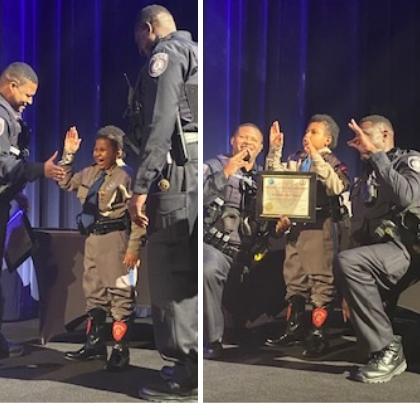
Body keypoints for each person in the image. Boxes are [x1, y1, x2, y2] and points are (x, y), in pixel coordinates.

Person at [125, 5, 198, 401]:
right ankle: (190, 365)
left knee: (172, 276)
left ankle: (188, 373)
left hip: (174, 176)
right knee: (186, 272)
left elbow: (160, 123)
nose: (139, 45)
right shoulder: (199, 50)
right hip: (194, 178)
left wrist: (141, 185)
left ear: (148, 29)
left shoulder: (165, 55)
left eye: (139, 37)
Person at [0, 62, 66, 368]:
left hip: (1, 203)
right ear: (12, 85)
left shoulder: (9, 114)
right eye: (28, 94)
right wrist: (38, 170)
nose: (30, 101)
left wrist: (17, 191)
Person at [335, 115, 420, 383]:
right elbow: (358, 234)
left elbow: (407, 196)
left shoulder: (407, 161)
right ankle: (383, 345)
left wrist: (379, 157)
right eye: (357, 140)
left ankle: (388, 349)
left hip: (406, 249)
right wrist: (348, 286)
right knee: (347, 262)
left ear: (384, 136)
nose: (360, 145)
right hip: (379, 255)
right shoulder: (364, 179)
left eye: (365, 137)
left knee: (350, 262)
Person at [56, 125, 146, 371]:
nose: (97, 154)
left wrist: (133, 248)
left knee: (120, 293)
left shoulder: (127, 176)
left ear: (117, 151)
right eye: (95, 149)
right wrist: (68, 154)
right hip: (93, 239)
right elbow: (64, 181)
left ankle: (120, 350)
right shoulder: (89, 173)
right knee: (93, 292)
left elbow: (139, 216)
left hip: (116, 238)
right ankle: (94, 344)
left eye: (103, 150)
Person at [264, 115, 349, 357]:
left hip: (319, 226)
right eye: (306, 131)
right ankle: (295, 329)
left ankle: (319, 335)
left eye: (314, 132)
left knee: (321, 280)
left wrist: (316, 158)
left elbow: (336, 187)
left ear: (328, 139)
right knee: (294, 277)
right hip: (295, 227)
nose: (306, 136)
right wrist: (275, 150)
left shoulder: (334, 162)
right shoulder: (295, 159)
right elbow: (276, 181)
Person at [202, 124, 265, 357]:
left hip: (251, 252)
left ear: (260, 148)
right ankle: (212, 340)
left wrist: (279, 226)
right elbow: (195, 198)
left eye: (253, 140)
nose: (247, 142)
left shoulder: (264, 177)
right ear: (232, 140)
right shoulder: (214, 166)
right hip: (215, 247)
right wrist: (226, 173)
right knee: (206, 269)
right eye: (243, 137)